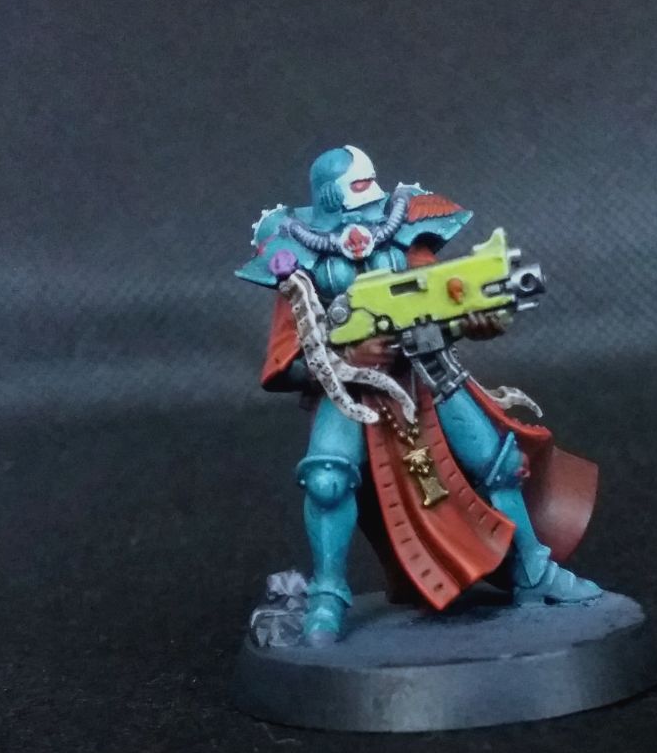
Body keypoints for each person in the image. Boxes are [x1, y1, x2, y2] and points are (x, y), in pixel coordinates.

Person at [236, 146, 603, 643]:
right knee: (326, 480)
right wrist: (347, 357)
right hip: (349, 391)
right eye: (357, 184)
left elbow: (441, 296)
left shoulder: (401, 229)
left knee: (500, 463)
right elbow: (287, 361)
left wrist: (481, 319)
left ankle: (532, 571)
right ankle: (327, 595)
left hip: (425, 374)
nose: (369, 194)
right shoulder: (299, 256)